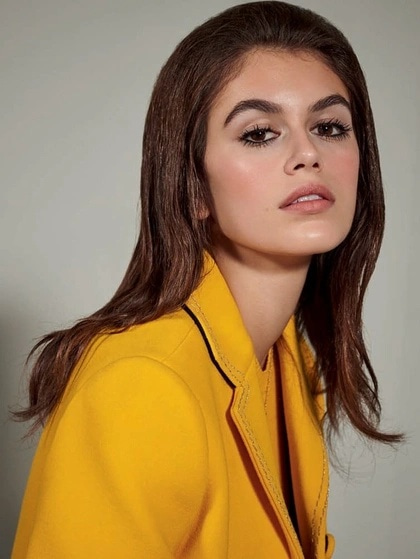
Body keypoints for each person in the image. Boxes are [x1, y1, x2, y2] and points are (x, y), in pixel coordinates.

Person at [12, 2, 402, 558]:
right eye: (260, 133)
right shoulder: (141, 386)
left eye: (330, 127)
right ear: (192, 187)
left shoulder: (288, 363)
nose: (308, 154)